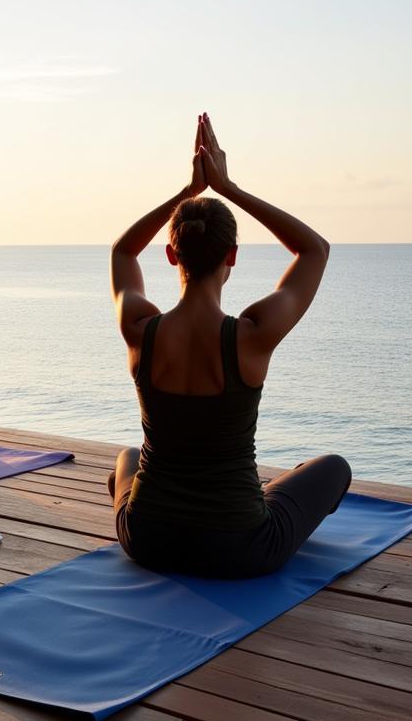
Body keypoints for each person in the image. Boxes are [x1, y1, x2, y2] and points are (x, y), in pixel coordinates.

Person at [108, 114, 351, 578]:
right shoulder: (253, 335)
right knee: (333, 468)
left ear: (171, 255)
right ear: (232, 257)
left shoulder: (139, 327)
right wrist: (227, 187)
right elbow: (314, 249)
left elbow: (122, 252)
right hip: (239, 547)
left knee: (129, 459)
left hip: (147, 538)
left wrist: (189, 192)